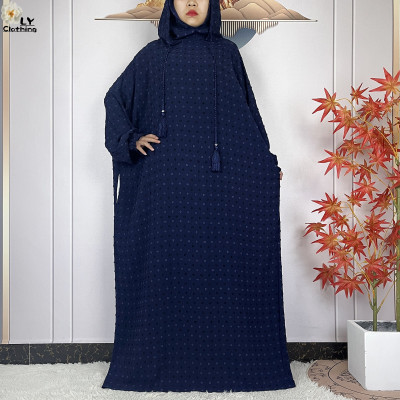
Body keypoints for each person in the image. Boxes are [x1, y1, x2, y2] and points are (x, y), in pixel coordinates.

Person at [102, 0, 295, 392]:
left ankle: (231, 363)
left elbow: (247, 117)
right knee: (167, 268)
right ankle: (161, 362)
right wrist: (131, 139)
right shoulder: (152, 56)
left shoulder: (227, 55)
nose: (191, 3)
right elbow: (114, 99)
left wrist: (262, 162)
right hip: (166, 187)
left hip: (216, 186)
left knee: (224, 266)